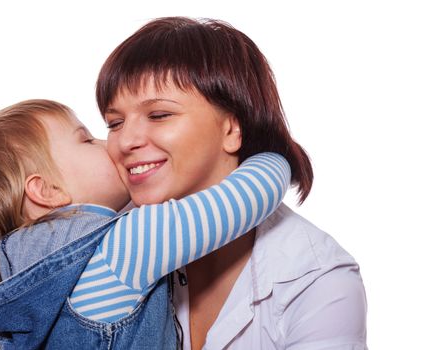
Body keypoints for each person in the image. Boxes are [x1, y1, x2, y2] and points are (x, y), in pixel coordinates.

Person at [96, 17, 367, 349]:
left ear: (231, 129)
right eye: (115, 123)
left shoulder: (317, 278)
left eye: (159, 115)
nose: (126, 142)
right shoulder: (104, 240)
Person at [0, 99, 291, 349]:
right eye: (87, 140)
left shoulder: (28, 277)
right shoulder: (123, 247)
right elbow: (244, 199)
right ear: (48, 191)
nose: (111, 145)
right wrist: (273, 154)